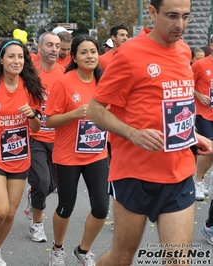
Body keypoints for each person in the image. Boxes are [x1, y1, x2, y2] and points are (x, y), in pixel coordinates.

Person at [87, 0, 213, 265]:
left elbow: (175, 104)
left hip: (178, 172)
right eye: (172, 16)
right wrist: (133, 134)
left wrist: (191, 135)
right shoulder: (129, 54)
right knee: (122, 258)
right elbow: (95, 110)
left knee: (178, 261)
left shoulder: (184, 51)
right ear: (153, 12)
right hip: (134, 174)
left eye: (186, 17)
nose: (180, 25)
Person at [0, 39, 43, 266]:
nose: (16, 61)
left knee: (11, 213)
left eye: (21, 57)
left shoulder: (30, 87)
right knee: (1, 210)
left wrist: (32, 115)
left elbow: (36, 128)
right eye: (11, 56)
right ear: (1, 60)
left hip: (19, 156)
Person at [44, 35, 109, 266]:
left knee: (101, 208)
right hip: (67, 156)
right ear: (74, 56)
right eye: (83, 52)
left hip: (97, 154)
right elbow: (50, 120)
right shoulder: (64, 82)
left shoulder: (104, 81)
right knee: (65, 206)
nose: (90, 56)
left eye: (93, 51)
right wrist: (75, 113)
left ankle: (83, 250)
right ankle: (58, 248)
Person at [24, 32, 64, 243]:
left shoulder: (63, 73)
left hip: (59, 139)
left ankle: (34, 197)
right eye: (49, 45)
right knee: (41, 180)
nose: (54, 49)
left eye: (57, 45)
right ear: (39, 47)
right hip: (35, 135)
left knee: (52, 185)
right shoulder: (30, 73)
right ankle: (36, 225)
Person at [191, 45, 213, 201]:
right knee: (208, 145)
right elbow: (187, 83)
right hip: (202, 112)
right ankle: (197, 181)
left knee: (212, 150)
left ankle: (202, 178)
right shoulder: (200, 64)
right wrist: (199, 95)